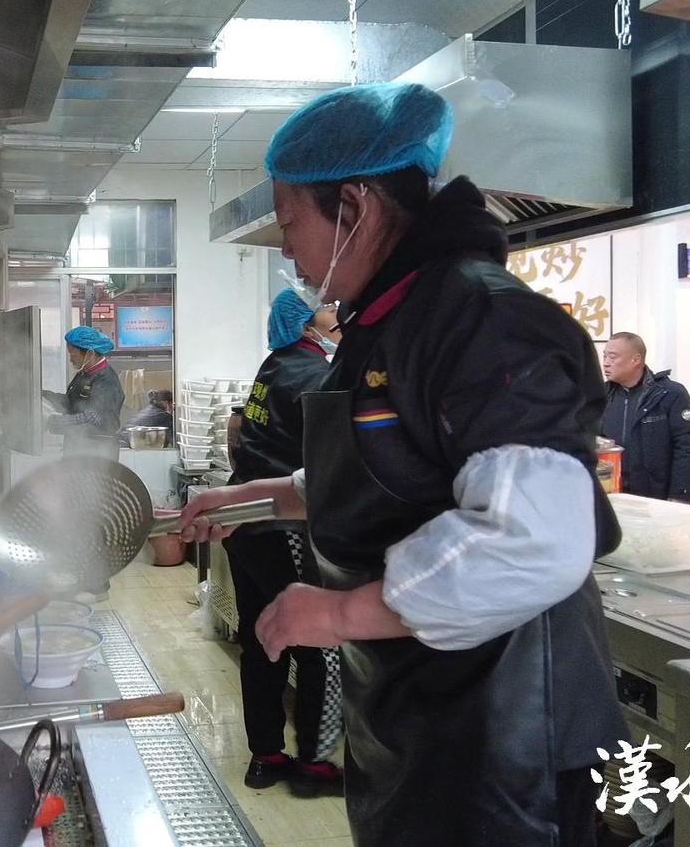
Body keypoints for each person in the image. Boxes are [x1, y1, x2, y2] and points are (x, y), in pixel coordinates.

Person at [170, 82, 625, 846]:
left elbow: (530, 542)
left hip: (502, 740)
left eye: (290, 222)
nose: (286, 250)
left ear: (354, 206)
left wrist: (338, 612)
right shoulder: (390, 319)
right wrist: (262, 497)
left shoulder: (483, 320)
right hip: (419, 721)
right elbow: (393, 473)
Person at [223, 288, 344, 798]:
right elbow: (333, 461)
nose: (338, 314)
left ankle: (267, 755)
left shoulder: (275, 365)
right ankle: (315, 764)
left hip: (246, 523)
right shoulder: (315, 374)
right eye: (330, 308)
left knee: (262, 638)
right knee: (321, 645)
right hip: (284, 527)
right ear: (307, 322)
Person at [600, 332, 690, 501]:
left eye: (613, 357)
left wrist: (680, 494)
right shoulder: (601, 396)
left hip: (657, 496)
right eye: (604, 356)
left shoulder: (669, 394)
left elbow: (689, 445)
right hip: (612, 494)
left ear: (635, 360)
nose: (606, 363)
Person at [43, 326, 126, 458]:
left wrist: (54, 421)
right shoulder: (84, 374)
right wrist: (43, 396)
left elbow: (93, 417)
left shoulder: (107, 380)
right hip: (78, 448)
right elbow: (71, 403)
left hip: (98, 453)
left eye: (73, 355)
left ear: (90, 354)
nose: (71, 359)